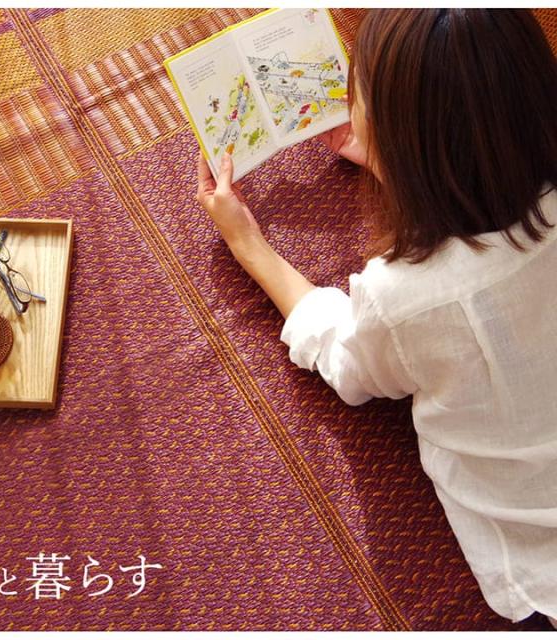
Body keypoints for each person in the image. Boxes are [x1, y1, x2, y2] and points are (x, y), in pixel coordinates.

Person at [195, 8, 557, 629]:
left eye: (356, 94)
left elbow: (351, 369)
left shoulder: (405, 294)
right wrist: (397, 158)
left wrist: (247, 244)